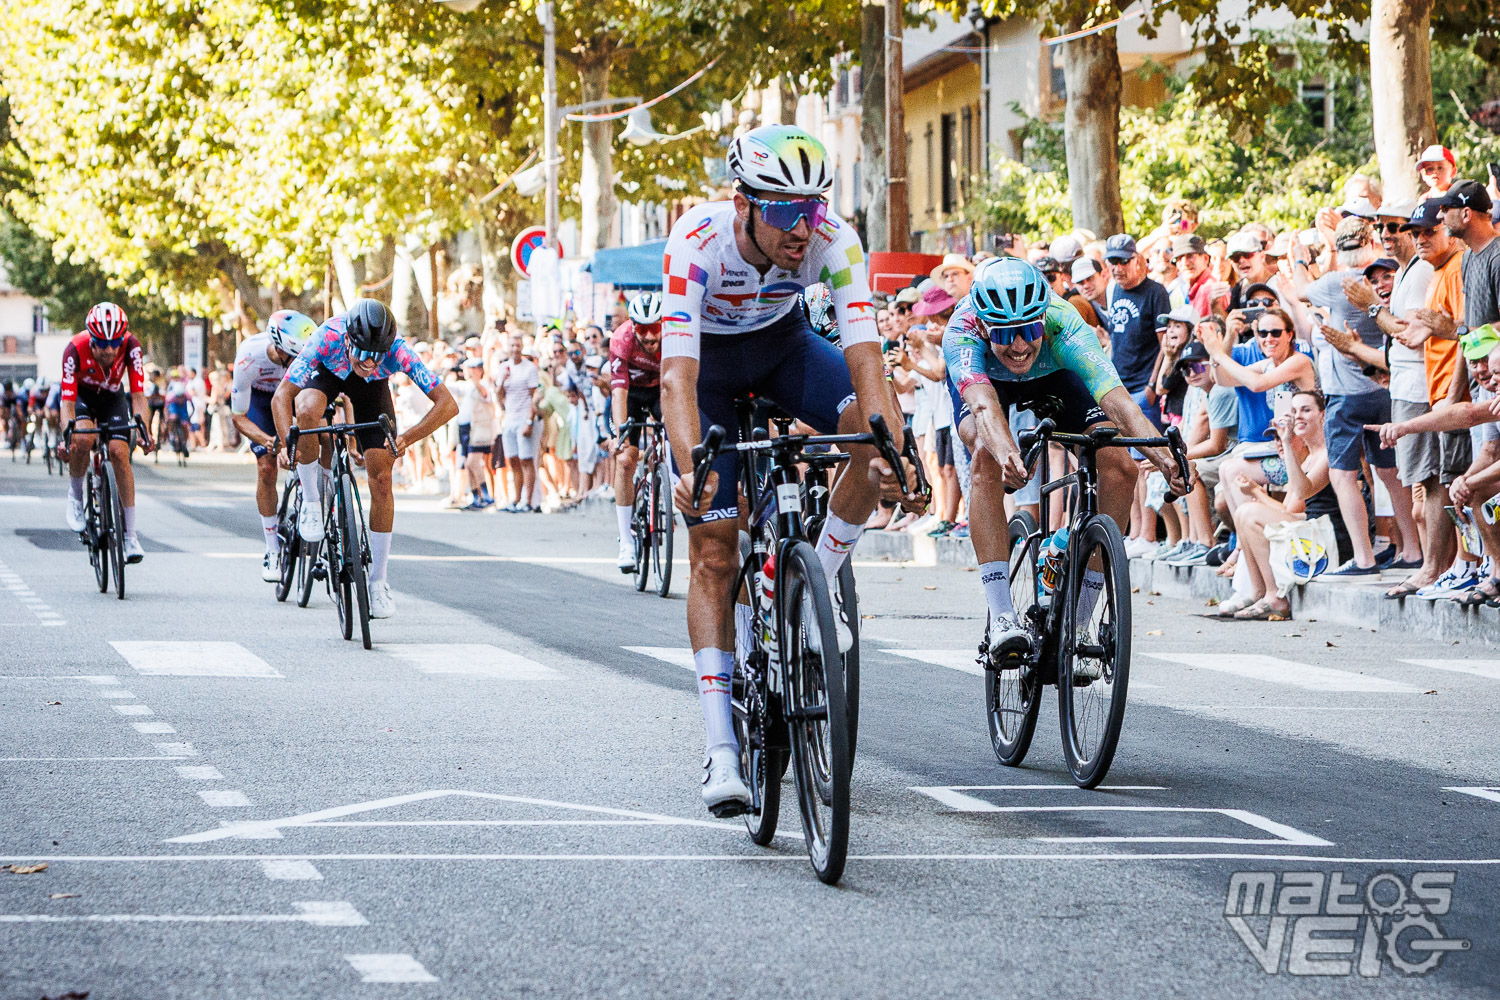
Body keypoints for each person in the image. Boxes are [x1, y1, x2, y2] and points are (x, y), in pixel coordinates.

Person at [659, 124, 913, 816]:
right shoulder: (696, 240)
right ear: (742, 204)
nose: (802, 228)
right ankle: (720, 750)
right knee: (715, 552)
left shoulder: (833, 238)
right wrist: (692, 467)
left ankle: (814, 582)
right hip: (709, 371)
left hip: (784, 350)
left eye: (812, 208)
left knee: (871, 440)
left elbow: (866, 358)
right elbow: (677, 376)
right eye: (783, 211)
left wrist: (891, 447)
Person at [945, 256, 1186, 656]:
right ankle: (1002, 617)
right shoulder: (962, 330)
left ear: (1043, 317)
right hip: (987, 386)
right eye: (1005, 333)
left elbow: (1120, 404)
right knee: (985, 455)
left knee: (1119, 466)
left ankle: (1080, 622)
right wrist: (1007, 453)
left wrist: (1163, 456)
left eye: (1029, 329)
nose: (1019, 345)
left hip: (1054, 376)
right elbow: (984, 409)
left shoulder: (1064, 321)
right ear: (985, 326)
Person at [272, 299, 457, 619]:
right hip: (328, 377)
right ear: (347, 340)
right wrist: (289, 443)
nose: (370, 361)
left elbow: (447, 404)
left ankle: (378, 582)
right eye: (363, 353)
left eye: (377, 355)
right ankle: (312, 503)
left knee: (382, 480)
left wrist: (408, 437)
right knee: (306, 410)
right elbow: (282, 396)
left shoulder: (397, 350)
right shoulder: (328, 335)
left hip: (372, 393)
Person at [1289, 216, 1418, 575]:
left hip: (1346, 393)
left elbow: (1300, 291)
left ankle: (1364, 557)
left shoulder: (1338, 282)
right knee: (1390, 473)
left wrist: (1299, 259)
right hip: (1382, 387)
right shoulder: (1385, 276)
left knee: (1342, 474)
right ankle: (1411, 549)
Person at [1221, 391, 1349, 620]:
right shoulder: (1309, 457)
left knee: (1249, 512)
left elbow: (1303, 492)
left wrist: (1288, 444)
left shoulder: (1327, 452)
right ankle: (1258, 591)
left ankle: (1275, 597)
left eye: (1306, 410)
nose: (1298, 416)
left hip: (1330, 534)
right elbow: (1291, 509)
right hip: (1312, 528)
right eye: (1294, 411)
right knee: (1242, 513)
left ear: (1323, 415)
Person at [58, 303, 156, 561]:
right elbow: (67, 403)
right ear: (92, 338)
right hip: (82, 397)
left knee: (119, 453)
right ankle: (76, 497)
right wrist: (67, 437)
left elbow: (138, 396)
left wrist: (145, 432)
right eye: (102, 343)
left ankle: (131, 537)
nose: (110, 349)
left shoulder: (131, 346)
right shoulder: (73, 350)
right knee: (83, 438)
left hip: (112, 398)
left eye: (114, 343)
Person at [229, 309, 316, 581]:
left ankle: (313, 505)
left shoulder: (308, 356)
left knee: (319, 441)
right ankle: (272, 549)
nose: (300, 363)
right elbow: (238, 416)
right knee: (267, 468)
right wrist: (268, 441)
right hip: (261, 402)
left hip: (295, 397)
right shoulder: (249, 358)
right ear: (279, 350)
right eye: (295, 359)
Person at [609, 291, 664, 568]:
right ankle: (626, 543)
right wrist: (621, 436)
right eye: (643, 330)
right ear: (633, 327)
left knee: (674, 439)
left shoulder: (674, 336)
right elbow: (618, 392)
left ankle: (662, 485)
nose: (650, 337)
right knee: (625, 459)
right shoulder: (621, 339)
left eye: (655, 328)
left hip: (661, 391)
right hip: (630, 394)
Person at [495, 338, 543, 512]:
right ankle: (515, 499)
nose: (515, 349)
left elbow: (534, 396)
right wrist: (502, 381)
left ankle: (528, 501)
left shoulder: (529, 368)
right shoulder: (504, 367)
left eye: (518, 345)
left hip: (524, 417)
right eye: (512, 345)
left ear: (522, 347)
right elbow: (499, 396)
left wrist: (530, 421)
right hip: (509, 418)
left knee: (526, 459)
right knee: (513, 460)